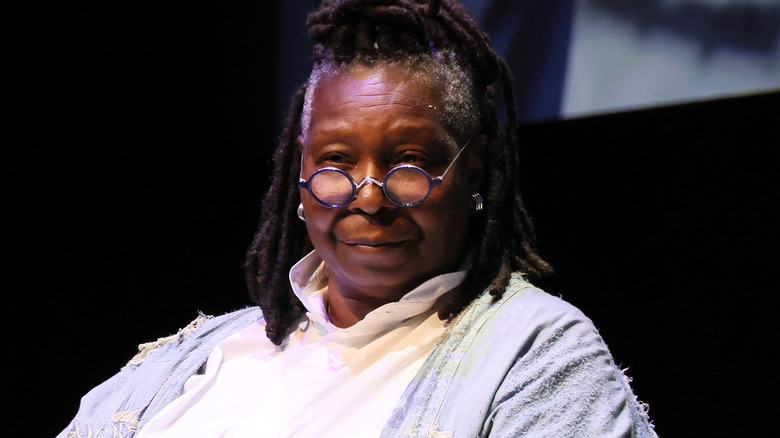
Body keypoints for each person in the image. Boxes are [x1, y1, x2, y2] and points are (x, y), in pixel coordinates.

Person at [59, 0, 657, 436]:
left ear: (473, 172)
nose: (367, 198)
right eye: (337, 161)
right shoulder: (198, 357)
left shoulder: (538, 355)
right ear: (299, 172)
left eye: (408, 163)